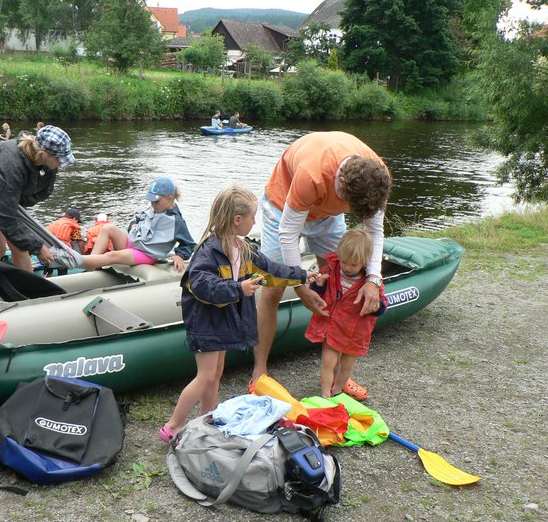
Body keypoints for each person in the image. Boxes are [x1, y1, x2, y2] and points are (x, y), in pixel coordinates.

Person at [158, 185, 321, 442]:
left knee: (216, 373)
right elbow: (201, 284)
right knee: (205, 376)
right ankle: (173, 426)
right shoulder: (208, 251)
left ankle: (206, 418)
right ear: (237, 220)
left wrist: (302, 274)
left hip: (224, 321)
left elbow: (272, 269)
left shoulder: (244, 249)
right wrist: (238, 287)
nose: (255, 221)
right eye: (252, 217)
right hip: (206, 322)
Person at [251, 131, 392, 400]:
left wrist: (374, 279)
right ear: (341, 183)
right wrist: (301, 286)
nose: (352, 212)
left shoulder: (378, 176)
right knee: (274, 287)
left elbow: (375, 230)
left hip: (328, 214)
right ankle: (260, 371)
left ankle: (339, 377)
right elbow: (288, 233)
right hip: (284, 207)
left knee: (342, 278)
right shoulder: (312, 174)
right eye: (350, 206)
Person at [0, 125, 76, 271]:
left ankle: (19, 281)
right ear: (44, 154)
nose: (62, 164)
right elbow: (5, 217)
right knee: (2, 248)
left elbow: (44, 191)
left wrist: (16, 201)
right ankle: (1, 283)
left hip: (6, 193)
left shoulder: (48, 164)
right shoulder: (10, 165)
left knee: (19, 244)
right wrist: (37, 246)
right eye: (60, 159)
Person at [304, 229, 387, 399]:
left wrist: (377, 306)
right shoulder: (332, 268)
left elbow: (382, 304)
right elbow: (320, 292)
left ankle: (338, 390)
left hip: (356, 330)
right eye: (344, 262)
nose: (347, 268)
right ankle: (326, 396)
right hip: (333, 325)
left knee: (347, 366)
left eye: (354, 264)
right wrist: (318, 285)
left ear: (365, 262)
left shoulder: (371, 282)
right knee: (328, 362)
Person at [73, 177, 196, 273]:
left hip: (146, 253)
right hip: (134, 242)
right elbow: (138, 219)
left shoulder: (177, 221)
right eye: (151, 200)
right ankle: (91, 267)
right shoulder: (154, 208)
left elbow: (189, 243)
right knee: (108, 228)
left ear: (169, 198)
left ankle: (76, 261)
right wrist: (132, 225)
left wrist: (180, 255)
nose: (153, 204)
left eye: (156, 201)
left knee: (112, 255)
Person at [44, 208, 85, 276]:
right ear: (75, 218)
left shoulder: (55, 223)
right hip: (61, 252)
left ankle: (46, 278)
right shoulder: (73, 226)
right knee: (62, 269)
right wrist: (84, 258)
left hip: (48, 250)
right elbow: (80, 244)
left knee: (48, 269)